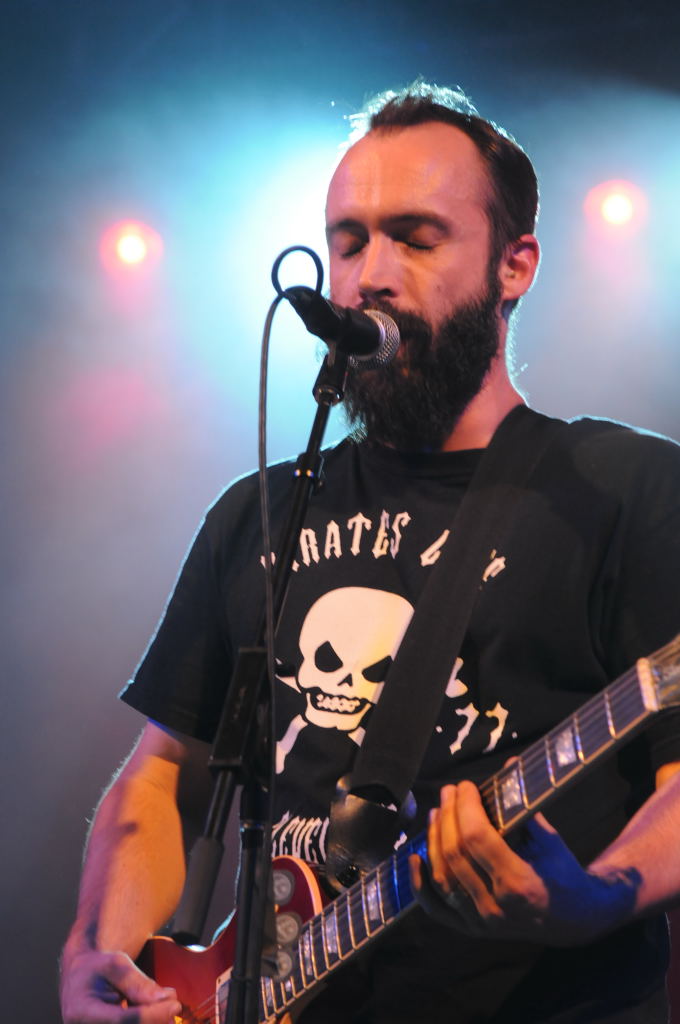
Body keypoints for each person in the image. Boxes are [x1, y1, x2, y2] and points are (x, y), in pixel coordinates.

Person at [60, 83, 680, 1024]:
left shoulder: (624, 489)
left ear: (515, 265)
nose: (370, 277)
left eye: (416, 238)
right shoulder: (258, 513)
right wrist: (97, 958)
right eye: (349, 243)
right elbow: (164, 774)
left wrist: (592, 900)